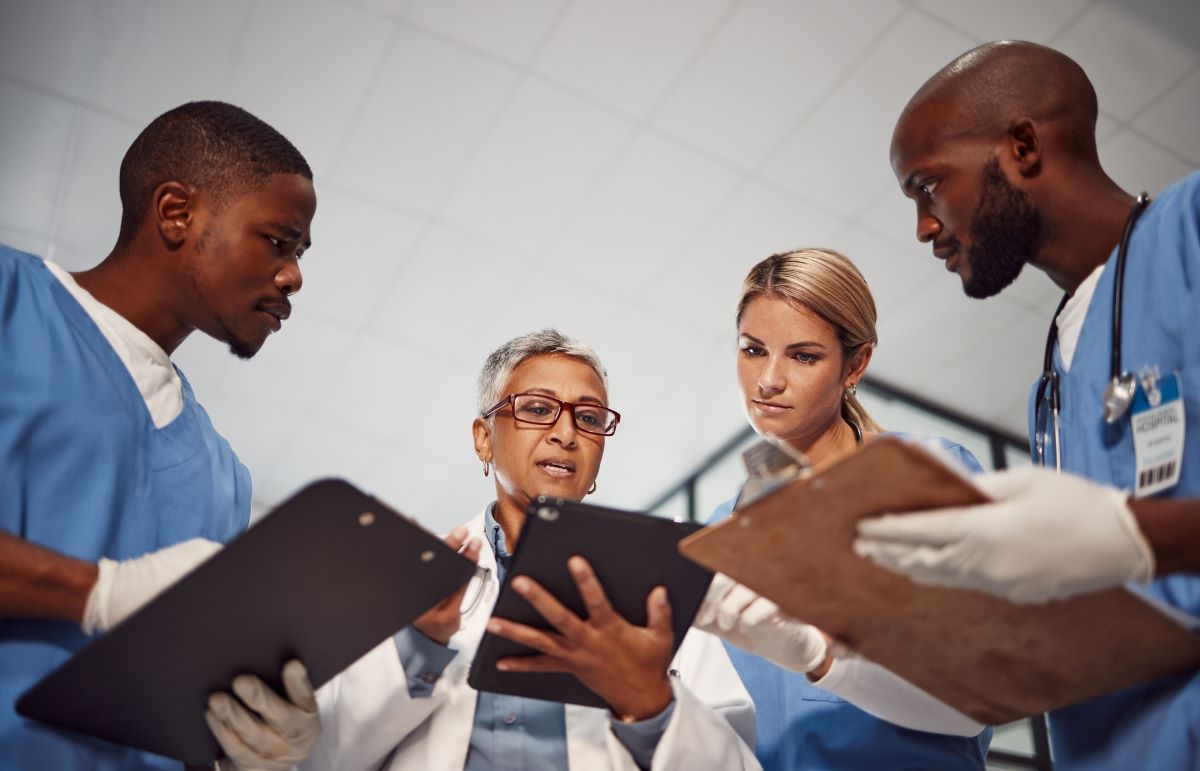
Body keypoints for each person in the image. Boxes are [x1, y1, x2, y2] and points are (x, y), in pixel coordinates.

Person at [852, 40, 1200, 770]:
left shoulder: (1189, 232)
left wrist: (1129, 536)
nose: (923, 227)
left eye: (928, 186)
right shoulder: (1056, 379)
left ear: (1023, 146)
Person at [0, 101, 322, 770]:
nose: (294, 276)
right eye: (278, 240)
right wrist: (97, 591)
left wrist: (245, 742)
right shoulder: (10, 302)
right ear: (177, 213)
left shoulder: (227, 478)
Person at [301, 329, 760, 771]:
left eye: (589, 418)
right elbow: (319, 757)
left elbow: (736, 759)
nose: (566, 433)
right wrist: (418, 646)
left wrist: (652, 706)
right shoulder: (407, 583)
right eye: (538, 409)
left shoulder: (662, 588)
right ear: (484, 438)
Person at [695, 249, 992, 770]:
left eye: (803, 356)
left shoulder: (924, 473)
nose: (768, 379)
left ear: (855, 364)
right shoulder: (715, 535)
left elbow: (981, 682)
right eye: (753, 350)